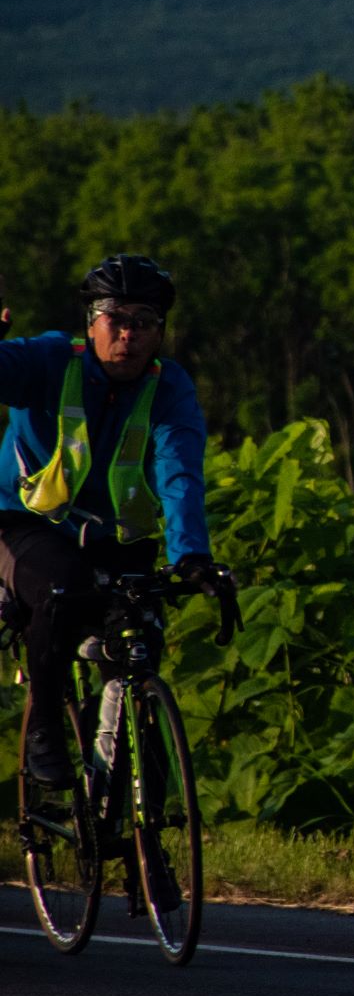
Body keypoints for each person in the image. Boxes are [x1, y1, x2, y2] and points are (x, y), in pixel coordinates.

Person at [0, 255, 230, 790]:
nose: (128, 334)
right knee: (62, 592)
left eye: (143, 322)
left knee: (138, 642)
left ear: (160, 332)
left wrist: (192, 555)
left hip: (111, 537)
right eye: (115, 320)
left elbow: (180, 473)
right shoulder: (52, 358)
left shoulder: (168, 387)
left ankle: (141, 830)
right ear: (91, 324)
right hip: (25, 523)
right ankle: (44, 730)